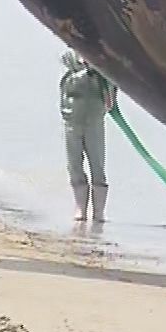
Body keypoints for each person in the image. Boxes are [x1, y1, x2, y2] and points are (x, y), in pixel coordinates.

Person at [59, 50, 117, 223]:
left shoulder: (103, 66)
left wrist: (100, 71)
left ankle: (99, 212)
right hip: (72, 120)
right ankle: (80, 207)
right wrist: (85, 70)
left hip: (94, 121)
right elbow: (68, 87)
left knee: (97, 165)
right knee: (74, 164)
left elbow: (111, 97)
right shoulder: (70, 61)